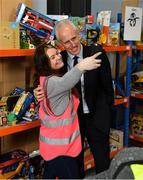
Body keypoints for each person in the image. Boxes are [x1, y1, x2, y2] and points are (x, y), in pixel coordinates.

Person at [34, 19, 114, 178]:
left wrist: (107, 115)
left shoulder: (96, 53)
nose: (73, 44)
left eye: (74, 38)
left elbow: (108, 88)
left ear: (79, 34)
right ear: (60, 44)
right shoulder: (59, 59)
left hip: (97, 118)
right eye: (66, 42)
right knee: (75, 165)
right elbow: (46, 79)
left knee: (103, 163)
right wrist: (36, 92)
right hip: (73, 123)